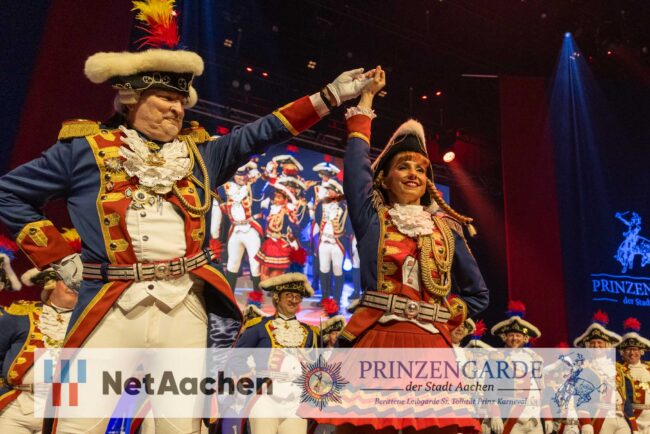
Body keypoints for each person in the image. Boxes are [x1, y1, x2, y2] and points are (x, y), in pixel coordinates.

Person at [0, 3, 373, 432]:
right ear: (131, 99)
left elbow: (264, 131)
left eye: (182, 100)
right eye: (166, 98)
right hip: (109, 307)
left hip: (184, 310)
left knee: (179, 427)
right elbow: (9, 193)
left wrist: (330, 96)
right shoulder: (84, 150)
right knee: (77, 425)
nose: (177, 109)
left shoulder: (200, 155)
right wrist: (58, 256)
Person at [331, 66, 489, 433]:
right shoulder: (373, 219)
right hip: (378, 336)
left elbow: (478, 294)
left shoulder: (447, 229)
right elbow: (356, 172)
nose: (414, 174)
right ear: (385, 179)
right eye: (403, 166)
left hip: (430, 343)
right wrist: (366, 100)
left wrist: (446, 315)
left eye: (421, 169)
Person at [0, 230, 80, 434]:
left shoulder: (88, 320)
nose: (73, 286)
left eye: (78, 282)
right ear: (50, 282)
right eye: (67, 280)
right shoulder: (22, 314)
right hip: (19, 408)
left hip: (67, 410)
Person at [234, 273, 319, 434]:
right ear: (277, 297)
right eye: (289, 295)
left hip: (296, 402)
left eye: (297, 297)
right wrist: (247, 375)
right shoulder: (259, 327)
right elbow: (237, 356)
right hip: (265, 399)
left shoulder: (310, 333)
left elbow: (315, 366)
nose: (294, 300)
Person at [573, 311, 639, 434]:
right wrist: (586, 423)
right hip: (601, 418)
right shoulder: (584, 370)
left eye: (599, 342)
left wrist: (634, 426)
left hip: (621, 418)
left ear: (607, 345)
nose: (596, 345)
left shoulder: (617, 369)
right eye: (592, 343)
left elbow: (626, 401)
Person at [490, 301, 549, 434]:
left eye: (518, 335)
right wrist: (495, 414)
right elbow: (490, 388)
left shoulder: (535, 358)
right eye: (511, 335)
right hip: (512, 418)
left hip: (534, 419)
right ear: (504, 337)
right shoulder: (497, 358)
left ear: (525, 338)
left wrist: (548, 417)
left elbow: (542, 388)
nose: (514, 339)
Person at [218, 162, 264, 293]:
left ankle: (256, 297)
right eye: (239, 175)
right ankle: (229, 295)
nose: (242, 177)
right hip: (235, 230)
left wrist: (258, 176)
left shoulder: (251, 188)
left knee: (255, 265)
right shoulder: (227, 188)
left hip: (250, 230)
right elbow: (217, 189)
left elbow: (261, 187)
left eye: (244, 175)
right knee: (232, 263)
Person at [315, 179, 347, 306]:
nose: (328, 192)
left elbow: (348, 224)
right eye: (328, 190)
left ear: (337, 192)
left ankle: (337, 299)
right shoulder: (322, 205)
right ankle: (325, 297)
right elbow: (317, 218)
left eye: (331, 190)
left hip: (337, 243)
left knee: (338, 270)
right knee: (324, 269)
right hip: (324, 241)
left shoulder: (344, 208)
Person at [617, 318, 650, 434]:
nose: (632, 353)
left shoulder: (649, 368)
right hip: (632, 419)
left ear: (641, 351)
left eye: (635, 349)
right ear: (622, 352)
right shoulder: (618, 370)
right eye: (628, 350)